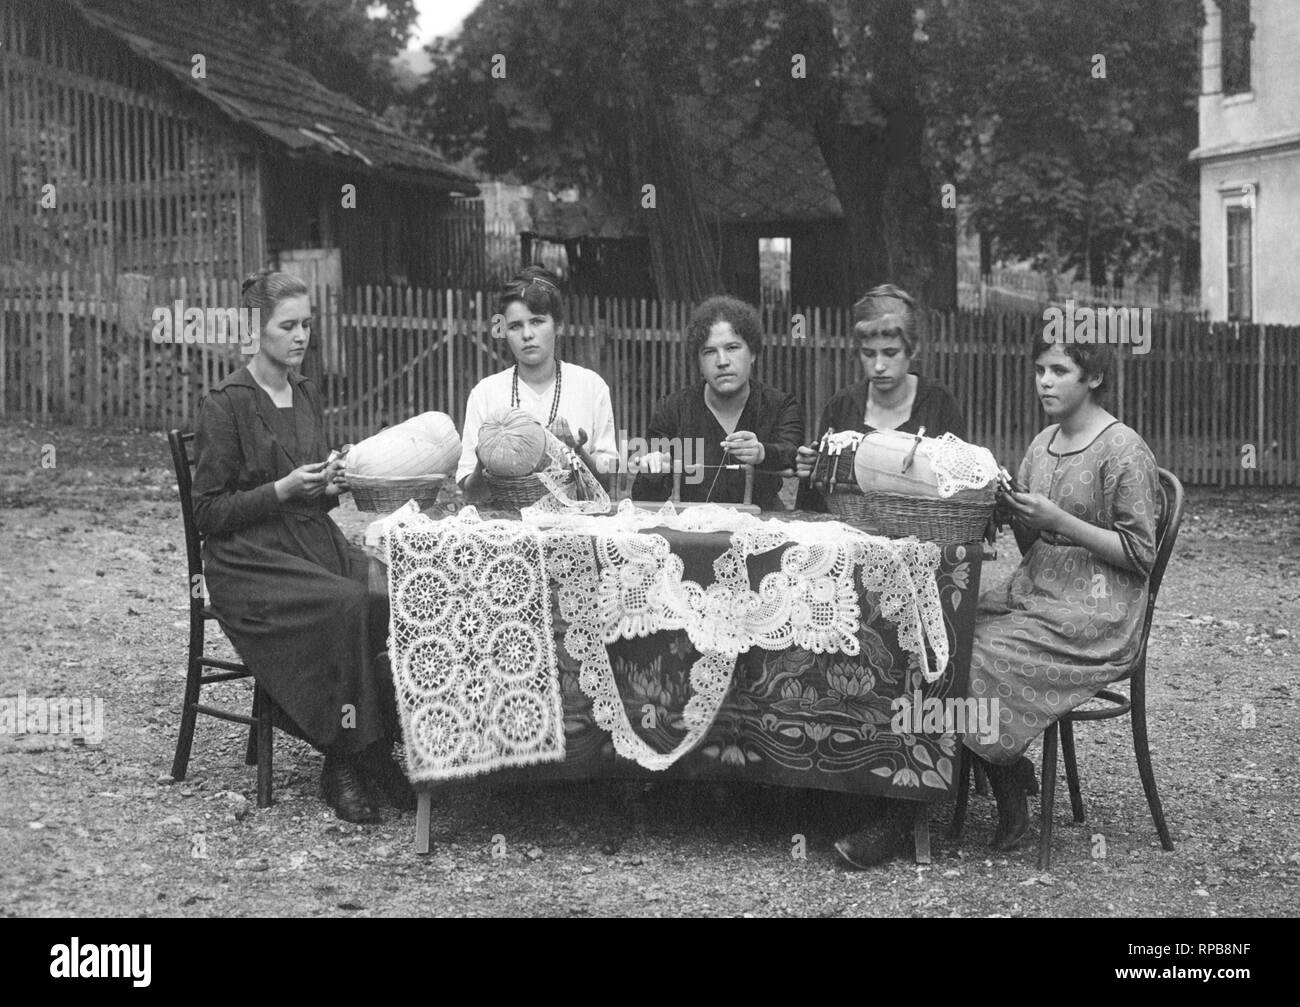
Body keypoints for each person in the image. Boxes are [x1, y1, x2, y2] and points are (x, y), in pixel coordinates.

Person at [836, 329, 1159, 867]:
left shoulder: (1123, 449)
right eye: (1040, 370)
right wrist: (1013, 514)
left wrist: (1056, 518)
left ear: (1094, 377)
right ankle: (959, 777)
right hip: (1035, 591)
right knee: (935, 630)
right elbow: (1034, 547)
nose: (1045, 381)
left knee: (970, 655)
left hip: (1095, 612)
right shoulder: (1043, 443)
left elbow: (1139, 554)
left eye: (1059, 371)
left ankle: (934, 808)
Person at [192, 270, 412, 825]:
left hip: (307, 539)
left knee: (392, 589)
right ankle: (343, 759)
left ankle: (375, 748)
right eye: (287, 325)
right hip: (249, 558)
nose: (300, 336)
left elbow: (309, 496)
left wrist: (328, 484)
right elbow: (208, 514)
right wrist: (282, 490)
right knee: (344, 605)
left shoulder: (307, 392)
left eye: (307, 324)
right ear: (253, 329)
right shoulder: (226, 404)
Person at [795, 284, 964, 510]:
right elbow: (816, 504)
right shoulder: (841, 407)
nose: (879, 366)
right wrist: (812, 470)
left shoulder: (939, 404)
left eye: (890, 352)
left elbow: (960, 490)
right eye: (868, 353)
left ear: (912, 350)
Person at [458, 266, 617, 500]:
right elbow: (472, 494)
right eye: (515, 326)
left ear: (558, 325)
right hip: (505, 527)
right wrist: (486, 456)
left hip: (576, 525)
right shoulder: (486, 393)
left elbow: (608, 482)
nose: (527, 335)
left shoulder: (591, 387)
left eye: (537, 321)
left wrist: (578, 451)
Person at [631, 295, 803, 511]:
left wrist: (762, 453)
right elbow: (642, 498)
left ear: (753, 354)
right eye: (710, 351)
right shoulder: (673, 410)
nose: (722, 362)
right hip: (696, 532)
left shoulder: (780, 406)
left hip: (762, 528)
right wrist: (652, 473)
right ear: (699, 363)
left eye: (732, 348)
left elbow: (791, 451)